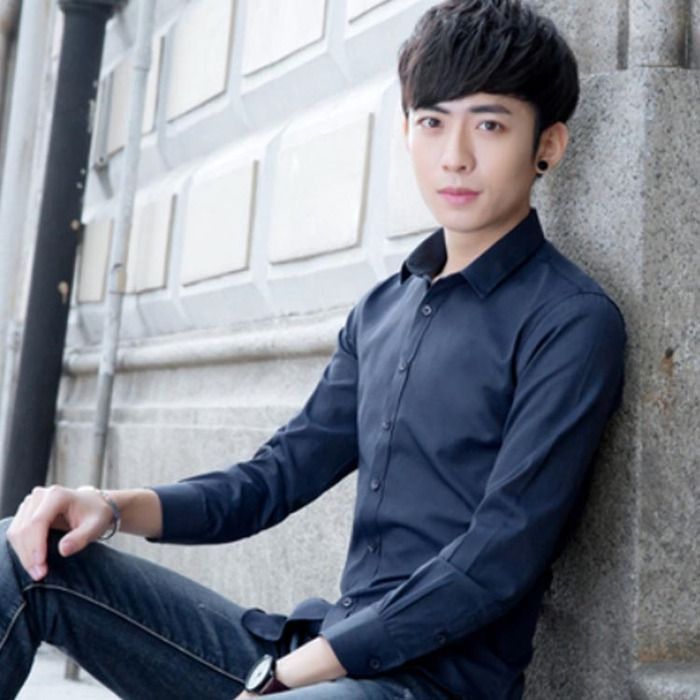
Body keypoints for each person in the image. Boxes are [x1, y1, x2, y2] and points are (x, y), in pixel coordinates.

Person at [0, 0, 627, 698]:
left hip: (422, 686)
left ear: (549, 145)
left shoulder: (570, 321)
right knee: (22, 555)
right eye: (432, 122)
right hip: (310, 660)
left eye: (489, 124)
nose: (455, 155)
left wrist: (291, 674)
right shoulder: (384, 309)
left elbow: (497, 558)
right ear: (406, 131)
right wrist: (108, 506)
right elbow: (271, 480)